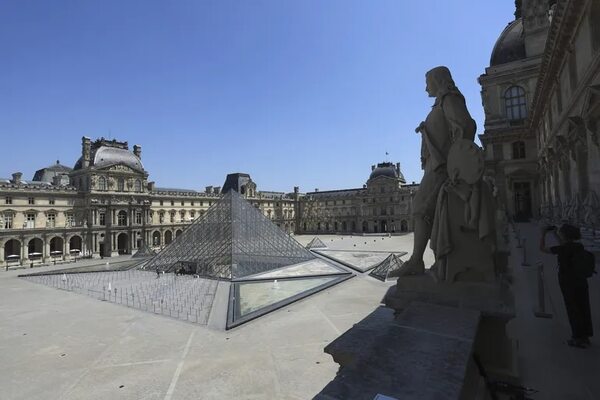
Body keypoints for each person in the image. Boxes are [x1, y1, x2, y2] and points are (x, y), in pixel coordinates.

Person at [400, 66, 476, 274]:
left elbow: (466, 126)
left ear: (438, 80)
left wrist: (457, 164)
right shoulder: (441, 103)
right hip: (435, 166)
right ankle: (440, 261)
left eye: (428, 83)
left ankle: (417, 262)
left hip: (443, 168)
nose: (425, 88)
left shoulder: (449, 99)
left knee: (420, 209)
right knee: (429, 212)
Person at [540, 223, 593, 348]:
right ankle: (585, 336)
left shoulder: (562, 249)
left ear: (564, 235)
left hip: (568, 283)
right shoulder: (579, 246)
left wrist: (542, 234)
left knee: (572, 309)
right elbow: (565, 245)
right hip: (581, 281)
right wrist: (554, 233)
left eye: (561, 233)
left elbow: (542, 248)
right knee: (583, 307)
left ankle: (577, 338)